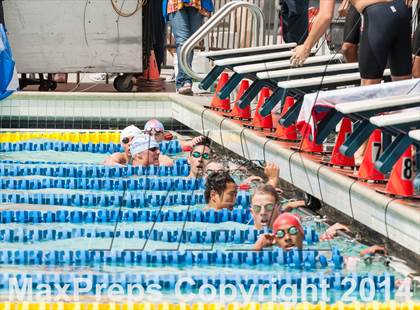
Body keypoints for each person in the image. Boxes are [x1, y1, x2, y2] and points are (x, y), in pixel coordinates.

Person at [290, 0, 412, 86]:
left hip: (378, 17)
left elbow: (326, 16)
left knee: (369, 86)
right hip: (402, 11)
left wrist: (306, 47)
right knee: (403, 84)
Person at [254, 212, 387, 258]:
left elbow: (346, 261)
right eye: (281, 234)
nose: (287, 238)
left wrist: (364, 253)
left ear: (302, 234)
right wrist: (259, 244)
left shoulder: (318, 254)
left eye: (293, 231)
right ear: (275, 239)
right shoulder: (273, 258)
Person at [162, 0, 214, 95]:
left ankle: (184, 81)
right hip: (176, 3)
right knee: (183, 42)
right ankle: (185, 81)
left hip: (197, 3)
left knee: (191, 43)